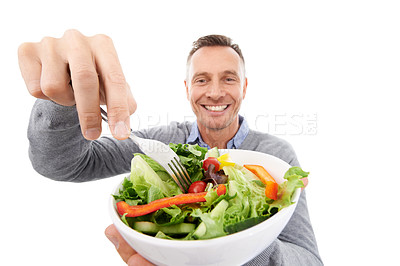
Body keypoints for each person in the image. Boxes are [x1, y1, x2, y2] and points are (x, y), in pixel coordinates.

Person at [19, 29, 321, 265]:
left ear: (243, 87)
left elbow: (307, 261)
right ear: (188, 88)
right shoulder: (161, 144)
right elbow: (61, 163)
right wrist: (63, 95)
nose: (215, 93)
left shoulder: (276, 156)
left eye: (228, 79)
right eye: (202, 80)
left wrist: (238, 247)